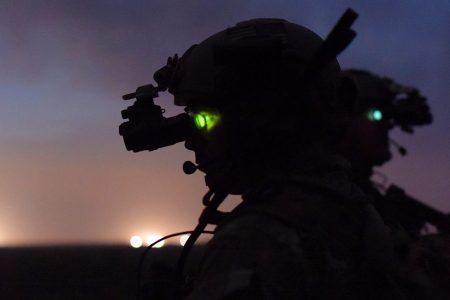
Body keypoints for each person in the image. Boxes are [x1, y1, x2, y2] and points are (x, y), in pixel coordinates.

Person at [163, 16, 415, 299]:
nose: (192, 142)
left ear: (262, 115)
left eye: (204, 119)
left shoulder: (251, 243)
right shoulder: (354, 210)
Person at [339, 69, 450, 299]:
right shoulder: (332, 203)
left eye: (388, 118)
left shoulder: (365, 197)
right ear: (341, 121)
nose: (386, 126)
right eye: (375, 115)